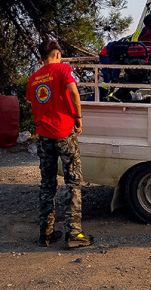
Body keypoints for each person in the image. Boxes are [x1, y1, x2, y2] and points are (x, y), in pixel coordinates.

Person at [26, 40, 92, 248]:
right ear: (57, 54)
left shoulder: (34, 78)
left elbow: (33, 103)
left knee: (47, 183)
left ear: (41, 58)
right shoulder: (63, 69)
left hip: (43, 135)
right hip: (63, 132)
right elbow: (73, 91)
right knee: (73, 181)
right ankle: (74, 234)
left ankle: (45, 234)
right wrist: (78, 116)